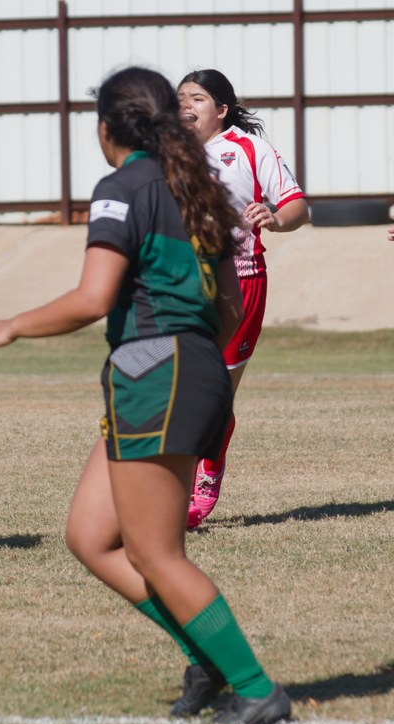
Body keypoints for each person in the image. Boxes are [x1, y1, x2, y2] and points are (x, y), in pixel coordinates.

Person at [0, 66, 291, 724]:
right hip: (194, 367)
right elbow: (231, 303)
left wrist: (11, 324)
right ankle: (208, 660)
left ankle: (256, 689)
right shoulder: (197, 183)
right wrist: (198, 358)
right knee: (91, 537)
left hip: (157, 372)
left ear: (105, 129)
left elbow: (92, 298)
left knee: (154, 553)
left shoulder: (123, 187)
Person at [177, 69, 309, 530]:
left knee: (216, 396)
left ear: (222, 109)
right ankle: (173, 486)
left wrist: (273, 216)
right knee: (179, 388)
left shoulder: (250, 149)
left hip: (242, 281)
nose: (186, 106)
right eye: (180, 99)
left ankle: (209, 471)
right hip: (184, 284)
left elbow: (298, 209)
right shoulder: (168, 153)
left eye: (196, 98)